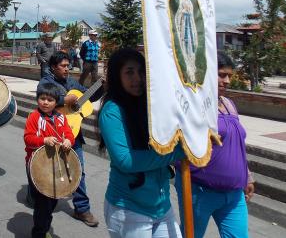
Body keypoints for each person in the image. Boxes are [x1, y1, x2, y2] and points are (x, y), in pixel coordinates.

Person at [98, 48, 185, 238]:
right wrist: (175, 153)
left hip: (162, 206)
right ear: (116, 76)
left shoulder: (151, 106)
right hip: (129, 210)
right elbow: (126, 160)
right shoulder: (112, 111)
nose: (137, 78)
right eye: (129, 72)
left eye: (141, 71)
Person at [174, 51, 254, 238]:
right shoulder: (192, 104)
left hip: (234, 194)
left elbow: (238, 145)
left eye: (230, 76)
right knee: (191, 235)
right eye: (221, 74)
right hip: (200, 190)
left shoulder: (229, 104)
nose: (226, 81)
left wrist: (248, 176)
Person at [38, 52, 103, 227]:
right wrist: (63, 99)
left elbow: (88, 97)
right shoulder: (46, 82)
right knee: (48, 171)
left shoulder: (72, 83)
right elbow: (42, 97)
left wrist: (101, 86)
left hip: (73, 134)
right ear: (53, 67)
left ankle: (82, 209)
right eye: (63, 66)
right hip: (51, 134)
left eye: (68, 66)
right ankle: (40, 203)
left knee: (78, 171)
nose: (67, 69)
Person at [24, 82, 75, 238]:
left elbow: (69, 134)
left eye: (50, 100)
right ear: (37, 99)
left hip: (55, 165)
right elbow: (28, 138)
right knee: (43, 202)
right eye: (42, 98)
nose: (45, 102)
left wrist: (69, 141)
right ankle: (39, 232)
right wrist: (43, 140)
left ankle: (44, 226)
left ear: (56, 102)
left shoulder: (61, 117)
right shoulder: (34, 117)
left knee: (53, 199)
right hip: (36, 164)